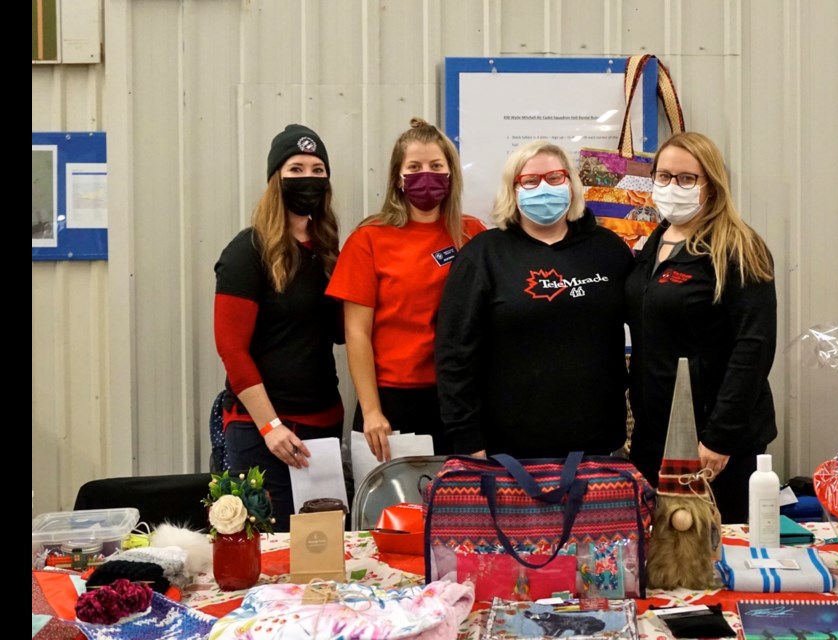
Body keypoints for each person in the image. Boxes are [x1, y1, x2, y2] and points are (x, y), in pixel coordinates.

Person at [435, 140, 634, 459]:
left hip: (598, 446)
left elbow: (647, 326)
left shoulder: (609, 250)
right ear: (513, 191)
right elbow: (454, 354)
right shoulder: (484, 256)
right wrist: (467, 440)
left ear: (571, 183)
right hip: (508, 452)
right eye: (530, 181)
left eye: (555, 178)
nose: (544, 187)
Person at [625, 131, 777, 524]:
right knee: (661, 557)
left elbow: (754, 347)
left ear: (711, 185)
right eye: (663, 176)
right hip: (655, 434)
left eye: (686, 178)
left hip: (714, 440)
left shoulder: (739, 248)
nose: (672, 187)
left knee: (716, 557)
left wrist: (720, 437)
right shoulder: (653, 245)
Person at [326, 118, 486, 463]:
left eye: (436, 166)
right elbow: (356, 333)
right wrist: (371, 411)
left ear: (451, 174)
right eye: (414, 167)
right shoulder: (368, 238)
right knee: (387, 514)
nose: (425, 174)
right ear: (398, 178)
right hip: (391, 401)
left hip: (458, 399)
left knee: (458, 510)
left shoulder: (473, 235)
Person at [214, 123, 344, 532]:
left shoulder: (327, 252)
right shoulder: (247, 251)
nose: (308, 179)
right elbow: (232, 348)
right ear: (276, 180)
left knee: (320, 552)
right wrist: (270, 426)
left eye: (317, 170)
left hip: (322, 427)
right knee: (270, 552)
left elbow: (343, 332)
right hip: (264, 433)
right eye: (296, 169)